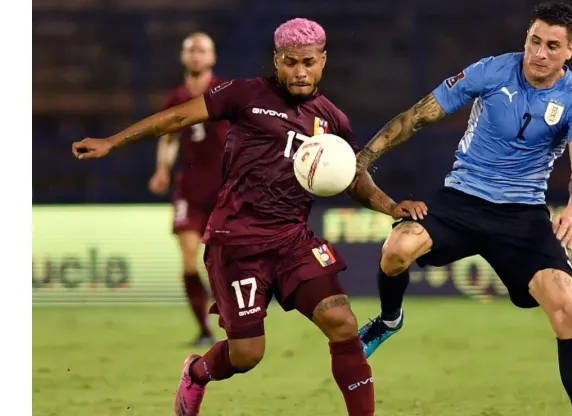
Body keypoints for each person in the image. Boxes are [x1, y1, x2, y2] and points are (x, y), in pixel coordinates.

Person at [72, 18, 426, 416]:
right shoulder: (244, 95)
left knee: (342, 323)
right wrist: (111, 142)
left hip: (293, 240)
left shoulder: (332, 120)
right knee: (247, 354)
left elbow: (353, 179)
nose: (300, 71)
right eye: (290, 62)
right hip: (236, 241)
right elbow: (174, 119)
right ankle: (196, 372)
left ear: (323, 61)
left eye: (308, 62)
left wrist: (391, 206)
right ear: (276, 60)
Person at [355, 2, 572, 416]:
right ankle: (389, 319)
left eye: (552, 46)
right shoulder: (491, 70)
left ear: (569, 51)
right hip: (463, 197)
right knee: (396, 249)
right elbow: (418, 116)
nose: (539, 53)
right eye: (534, 41)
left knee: (564, 307)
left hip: (521, 211)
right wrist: (363, 158)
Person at [148, 32, 228, 347]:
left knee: (223, 260)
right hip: (191, 189)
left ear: (212, 58)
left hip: (225, 188)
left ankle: (237, 319)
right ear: (183, 57)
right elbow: (168, 138)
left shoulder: (224, 92)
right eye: (190, 50)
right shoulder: (176, 99)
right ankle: (205, 329)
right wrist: (162, 169)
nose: (196, 55)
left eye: (202, 50)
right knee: (188, 258)